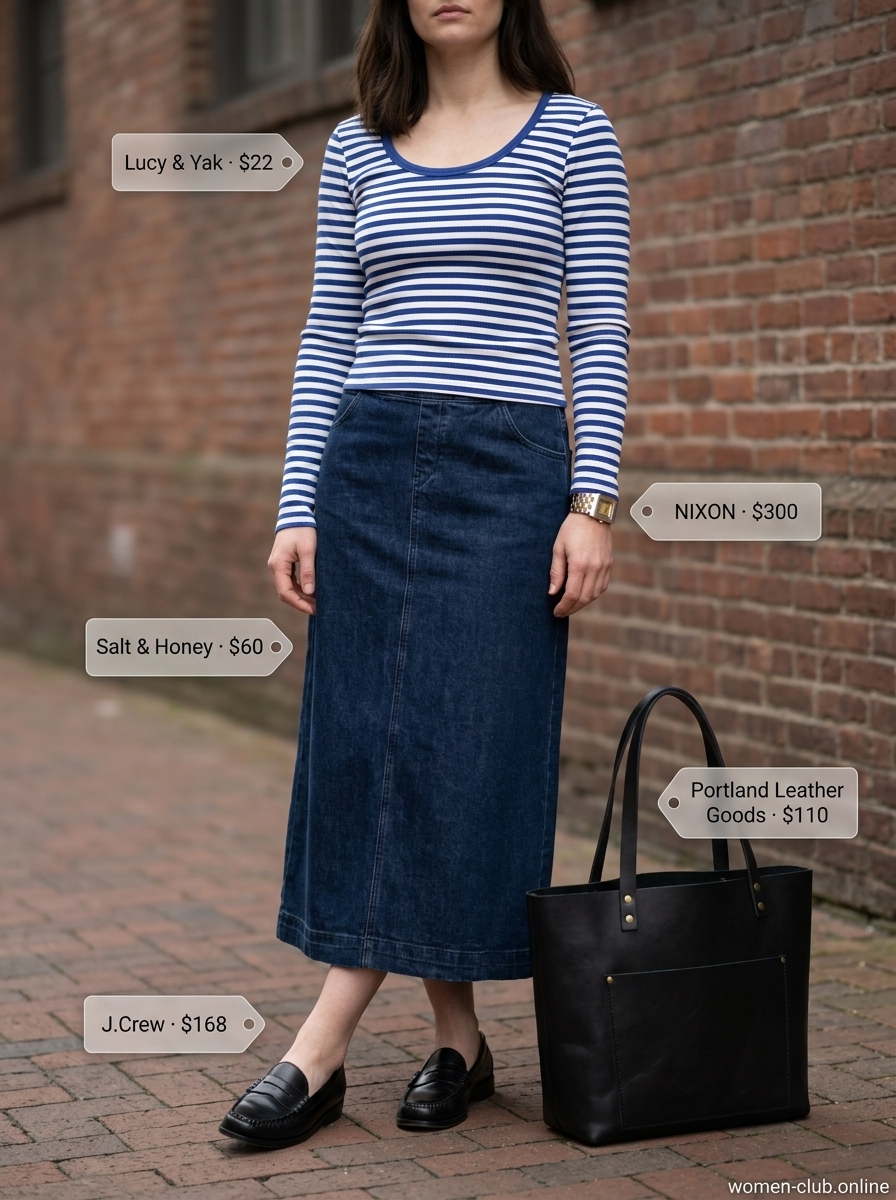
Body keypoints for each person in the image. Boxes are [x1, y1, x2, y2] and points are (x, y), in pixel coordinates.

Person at [219, 0, 629, 1150]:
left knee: (466, 744)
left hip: (508, 474)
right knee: (369, 745)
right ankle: (458, 1043)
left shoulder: (571, 133)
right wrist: (296, 503)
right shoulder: (356, 145)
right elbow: (326, 333)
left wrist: (591, 502)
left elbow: (597, 325)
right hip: (367, 464)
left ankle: (317, 1049)